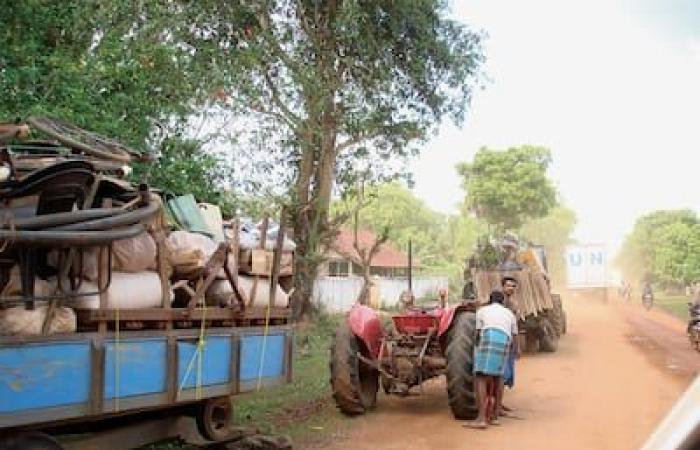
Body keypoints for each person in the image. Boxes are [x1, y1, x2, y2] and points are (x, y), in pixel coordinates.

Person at [465, 290, 518, 429]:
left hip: (489, 337)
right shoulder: (509, 313)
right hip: (505, 340)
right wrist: (514, 352)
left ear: (490, 300)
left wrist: (477, 347)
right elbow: (515, 336)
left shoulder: (482, 311)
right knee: (498, 377)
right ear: (502, 301)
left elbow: (477, 333)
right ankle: (495, 416)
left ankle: (481, 418)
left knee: (480, 376)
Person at [499, 276, 520, 416]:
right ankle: (496, 406)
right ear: (503, 287)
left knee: (506, 373)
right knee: (500, 374)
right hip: (501, 340)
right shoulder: (500, 302)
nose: (511, 288)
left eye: (513, 286)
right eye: (508, 286)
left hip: (510, 340)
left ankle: (499, 403)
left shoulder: (513, 302)